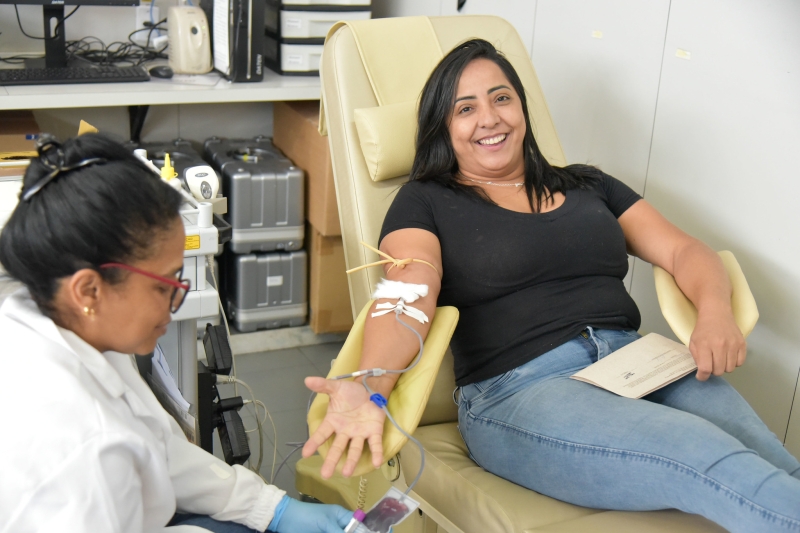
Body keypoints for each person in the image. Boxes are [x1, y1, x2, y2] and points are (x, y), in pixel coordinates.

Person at [302, 39, 800, 532]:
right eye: (465, 108)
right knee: (707, 455)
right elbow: (409, 294)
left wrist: (713, 311)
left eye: (501, 98)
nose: (490, 118)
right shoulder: (425, 200)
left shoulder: (588, 183)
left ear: (522, 106)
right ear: (443, 127)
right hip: (522, 389)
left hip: (639, 361)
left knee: (775, 461)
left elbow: (685, 252)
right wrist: (371, 385)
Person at [0, 134, 352, 533]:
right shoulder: (86, 451)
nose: (177, 300)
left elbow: (155, 446)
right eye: (163, 285)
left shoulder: (61, 321)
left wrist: (271, 508)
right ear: (89, 289)